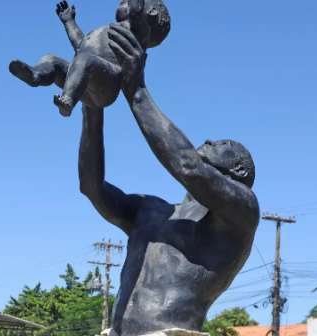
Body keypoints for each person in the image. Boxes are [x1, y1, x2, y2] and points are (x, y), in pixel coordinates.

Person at [77, 23, 261, 336]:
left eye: (224, 146)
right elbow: (91, 188)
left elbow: (188, 167)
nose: (210, 140)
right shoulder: (153, 209)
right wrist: (92, 109)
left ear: (239, 172)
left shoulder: (243, 213)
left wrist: (136, 91)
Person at [8, 0, 170, 117]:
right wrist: (68, 21)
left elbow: (135, 11)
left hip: (107, 82)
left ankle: (67, 101)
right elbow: (81, 46)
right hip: (80, 79)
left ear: (150, 14)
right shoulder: (105, 30)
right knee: (51, 60)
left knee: (84, 61)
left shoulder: (139, 33)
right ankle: (36, 76)